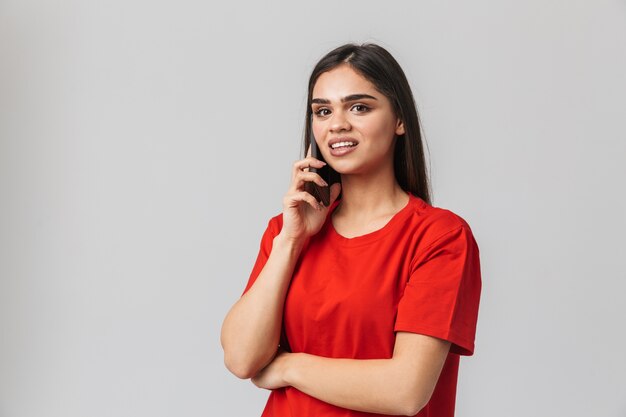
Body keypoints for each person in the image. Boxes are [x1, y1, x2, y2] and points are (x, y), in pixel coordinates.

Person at [220, 43, 482, 417]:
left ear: (399, 120)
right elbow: (242, 358)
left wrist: (288, 366)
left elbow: (406, 391)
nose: (337, 123)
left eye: (359, 107)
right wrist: (291, 242)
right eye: (322, 111)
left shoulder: (440, 237)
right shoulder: (287, 232)